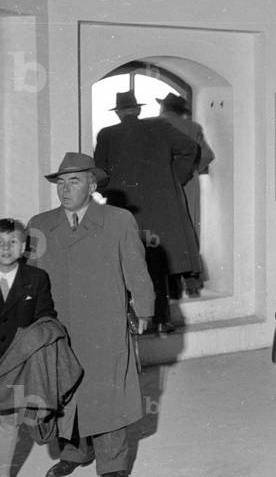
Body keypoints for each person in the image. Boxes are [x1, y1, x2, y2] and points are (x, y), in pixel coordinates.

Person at [27, 152, 155, 477]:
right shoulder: (40, 225)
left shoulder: (118, 220)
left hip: (105, 324)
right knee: (64, 391)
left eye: (74, 181)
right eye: (61, 182)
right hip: (58, 326)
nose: (65, 189)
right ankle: (75, 451)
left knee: (108, 392)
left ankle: (112, 465)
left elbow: (136, 270)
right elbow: (30, 279)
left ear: (92, 184)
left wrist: (144, 308)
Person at [94, 90, 199, 332]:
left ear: (119, 113)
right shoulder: (160, 127)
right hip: (161, 207)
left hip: (124, 208)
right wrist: (176, 178)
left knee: (127, 262)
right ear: (139, 110)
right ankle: (163, 320)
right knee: (157, 262)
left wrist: (107, 190)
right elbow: (190, 148)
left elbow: (99, 173)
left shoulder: (107, 134)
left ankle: (132, 321)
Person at [0, 218, 59, 476]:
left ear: (24, 247)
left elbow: (46, 315)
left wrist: (36, 337)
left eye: (13, 241)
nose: (5, 248)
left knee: (8, 422)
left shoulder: (36, 278)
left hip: (16, 365)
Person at [157, 92, 214, 298]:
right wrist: (189, 170)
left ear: (163, 108)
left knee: (161, 232)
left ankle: (168, 285)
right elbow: (207, 155)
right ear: (181, 111)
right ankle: (192, 281)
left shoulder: (151, 125)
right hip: (187, 185)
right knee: (190, 229)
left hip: (159, 186)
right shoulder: (193, 127)